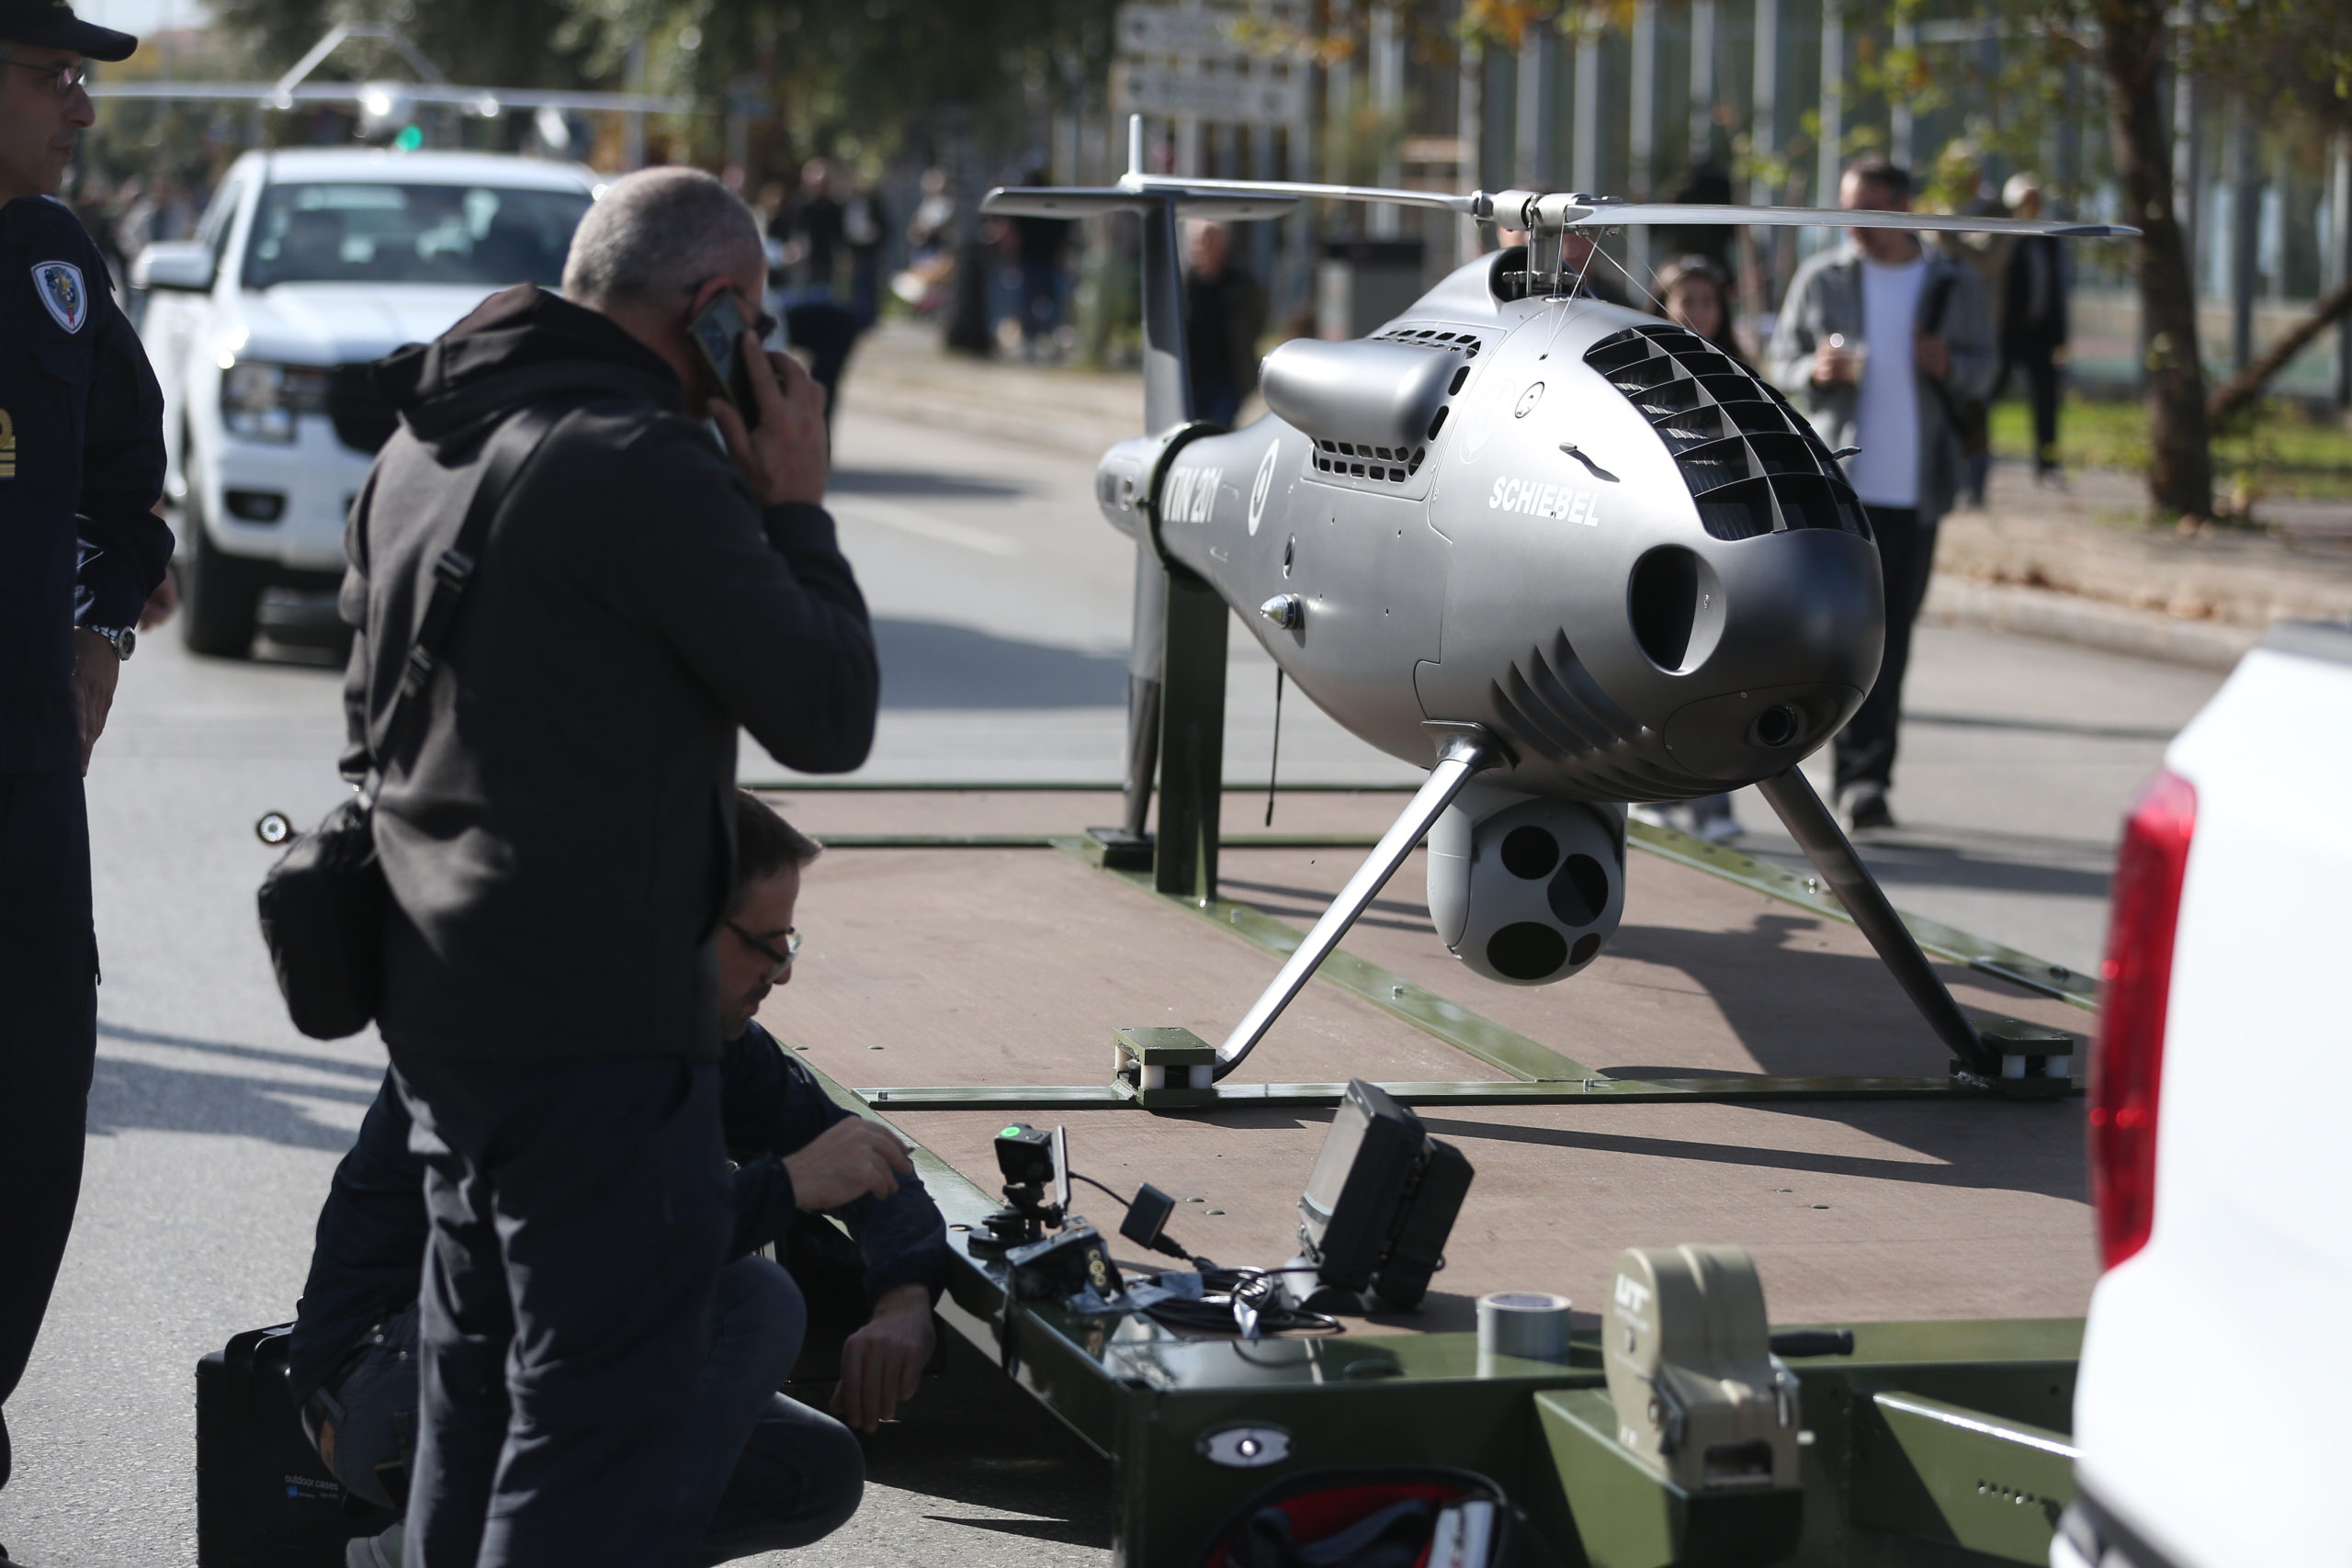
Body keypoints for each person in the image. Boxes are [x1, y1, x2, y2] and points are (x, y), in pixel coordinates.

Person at [338, 167, 878, 1567]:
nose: (759, 359)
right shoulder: (639, 463)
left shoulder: (423, 445)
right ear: (712, 313)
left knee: (479, 1418)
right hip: (594, 1043)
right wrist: (799, 502)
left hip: (446, 1015)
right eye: (749, 323)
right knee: (584, 1457)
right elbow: (827, 710)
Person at [290, 793, 946, 1568]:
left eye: (790, 940)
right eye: (767, 943)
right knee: (749, 1303)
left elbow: (863, 1151)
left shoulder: (708, 1031)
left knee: (813, 1471)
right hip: (385, 1378)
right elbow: (590, 1245)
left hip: (525, 1362)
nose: (785, 970)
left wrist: (904, 1295)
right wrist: (787, 1185)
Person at [0, 6, 170, 1552]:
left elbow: (127, 464)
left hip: (22, 783)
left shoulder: (53, 265)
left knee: (30, 1112)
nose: (82, 108)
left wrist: (104, 621)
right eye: (53, 77)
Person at [1766, 156, 1994, 833]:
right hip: (1838, 489)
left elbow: (1989, 368)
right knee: (1831, 637)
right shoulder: (1825, 277)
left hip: (1917, 490)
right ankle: (1827, 763)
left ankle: (1866, 781)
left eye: (1865, 210)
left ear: (1902, 209)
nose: (1852, 226)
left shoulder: (1952, 283)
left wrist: (1950, 365)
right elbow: (1779, 360)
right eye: (1845, 209)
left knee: (1890, 642)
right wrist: (1815, 368)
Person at [1645, 254, 1747, 845]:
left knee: (1722, 677)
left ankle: (1714, 804)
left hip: (1722, 541)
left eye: (1709, 301)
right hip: (1657, 545)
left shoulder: (1738, 373)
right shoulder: (1633, 368)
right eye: (1687, 300)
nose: (1700, 312)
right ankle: (1646, 792)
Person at [1998, 173, 2069, 489]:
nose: (2032, 207)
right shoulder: (2001, 240)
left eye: (2036, 200)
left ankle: (2047, 464)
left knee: (2046, 401)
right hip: (2004, 335)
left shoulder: (2046, 241)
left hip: (2039, 333)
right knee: (1983, 397)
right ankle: (1971, 467)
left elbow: (2055, 292)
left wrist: (2060, 336)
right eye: (2026, 201)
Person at [1183, 219, 1267, 427]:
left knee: (1219, 431)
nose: (1201, 246)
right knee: (1191, 432)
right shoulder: (1184, 284)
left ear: (1223, 243)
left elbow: (1258, 319)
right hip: (1190, 378)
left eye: (1207, 240)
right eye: (1196, 241)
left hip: (1228, 378)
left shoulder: (1240, 283)